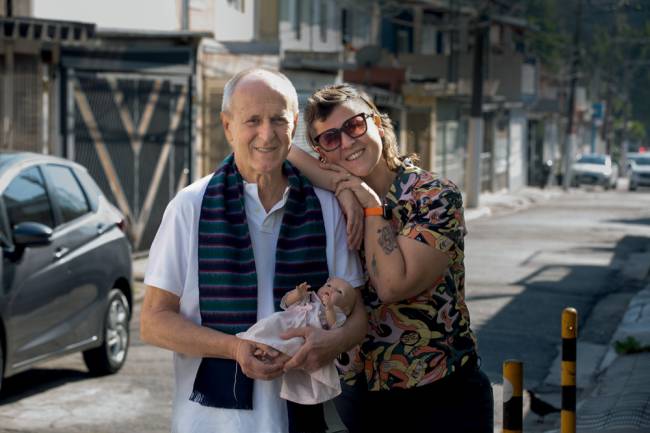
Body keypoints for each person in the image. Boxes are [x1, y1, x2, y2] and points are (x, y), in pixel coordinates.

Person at [140, 70, 366, 433]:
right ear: (227, 126)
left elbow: (358, 312)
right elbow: (153, 322)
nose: (266, 133)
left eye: (278, 119)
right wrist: (235, 349)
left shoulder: (325, 209)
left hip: (304, 421)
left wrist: (332, 341)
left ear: (294, 126)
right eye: (252, 121)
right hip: (212, 423)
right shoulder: (190, 207)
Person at [288, 83, 494, 433]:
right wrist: (341, 187)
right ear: (323, 156)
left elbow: (391, 285)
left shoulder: (433, 196)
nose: (348, 143)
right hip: (360, 397)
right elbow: (282, 149)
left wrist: (370, 206)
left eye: (354, 126)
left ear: (378, 125)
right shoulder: (332, 202)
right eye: (330, 139)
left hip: (441, 394)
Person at [238, 278, 356, 405]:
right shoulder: (309, 298)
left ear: (347, 309)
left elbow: (334, 326)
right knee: (272, 325)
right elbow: (286, 303)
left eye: (339, 292)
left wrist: (329, 309)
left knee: (290, 348)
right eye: (328, 285)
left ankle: (267, 355)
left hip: (304, 337)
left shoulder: (338, 314)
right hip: (287, 323)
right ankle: (258, 342)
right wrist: (297, 294)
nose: (330, 290)